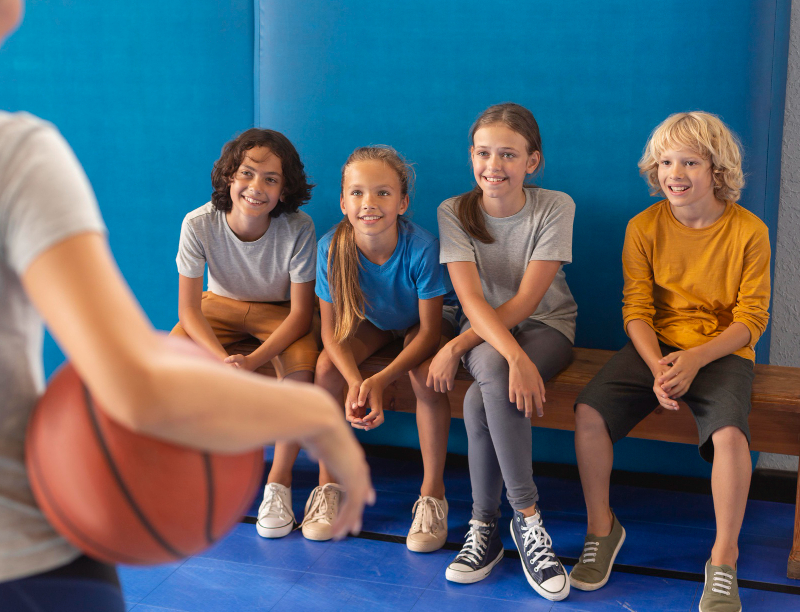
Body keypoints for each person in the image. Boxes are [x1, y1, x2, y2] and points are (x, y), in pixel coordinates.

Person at [0, 0, 372, 609]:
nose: (19, 7)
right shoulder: (4, 157)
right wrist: (313, 410)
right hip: (11, 569)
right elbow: (136, 386)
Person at [570, 112, 770, 612]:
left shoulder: (749, 231)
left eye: (689, 162)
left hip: (721, 351)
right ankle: (602, 529)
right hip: (655, 347)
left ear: (717, 170)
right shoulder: (643, 227)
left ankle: (723, 559)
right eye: (665, 162)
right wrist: (660, 366)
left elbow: (752, 319)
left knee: (729, 436)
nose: (674, 173)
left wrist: (696, 360)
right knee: (588, 412)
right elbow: (636, 310)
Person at [434, 103, 575, 601]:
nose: (493, 165)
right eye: (484, 152)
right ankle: (525, 519)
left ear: (531, 161)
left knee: (480, 395)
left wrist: (461, 346)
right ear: (471, 155)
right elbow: (471, 299)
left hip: (547, 328)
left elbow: (527, 302)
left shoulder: (556, 206)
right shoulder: (453, 211)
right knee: (487, 380)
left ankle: (492, 526)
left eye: (508, 155)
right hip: (485, 334)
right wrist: (506, 355)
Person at [171, 127, 322, 540]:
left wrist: (252, 362)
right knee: (171, 361)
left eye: (271, 179)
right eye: (248, 174)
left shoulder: (298, 227)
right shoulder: (199, 223)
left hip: (280, 314)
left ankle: (279, 482)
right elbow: (189, 309)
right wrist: (222, 361)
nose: (256, 187)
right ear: (228, 178)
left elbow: (300, 314)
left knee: (301, 374)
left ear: (284, 189)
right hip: (217, 308)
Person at [308, 146, 457, 552]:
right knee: (326, 370)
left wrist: (381, 379)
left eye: (382, 193)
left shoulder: (421, 247)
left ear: (403, 202)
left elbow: (428, 332)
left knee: (424, 376)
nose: (368, 203)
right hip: (371, 324)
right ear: (342, 202)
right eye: (356, 193)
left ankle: (432, 495)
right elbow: (331, 332)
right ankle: (328, 486)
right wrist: (357, 382)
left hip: (420, 325)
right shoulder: (329, 249)